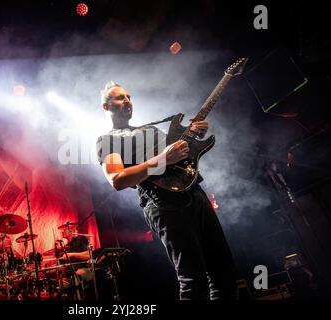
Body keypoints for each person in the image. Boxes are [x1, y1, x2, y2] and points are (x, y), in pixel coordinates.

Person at [96, 81, 238, 300]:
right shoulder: (108, 140)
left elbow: (183, 157)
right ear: (106, 107)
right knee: (194, 280)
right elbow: (117, 179)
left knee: (224, 274)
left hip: (195, 193)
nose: (127, 101)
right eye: (120, 98)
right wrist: (162, 159)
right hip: (163, 203)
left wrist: (195, 136)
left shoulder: (151, 129)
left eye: (129, 96)